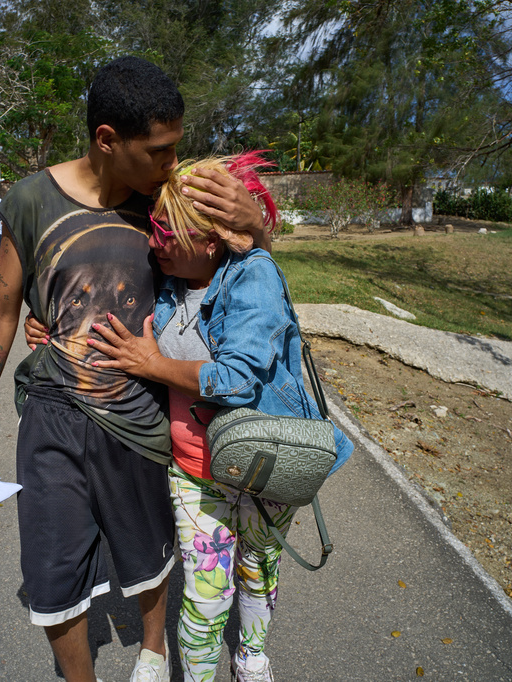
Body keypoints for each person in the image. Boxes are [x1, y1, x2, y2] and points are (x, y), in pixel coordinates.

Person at [0, 56, 265, 682]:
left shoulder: (167, 199)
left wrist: (254, 225)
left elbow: (235, 274)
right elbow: (2, 311)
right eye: (158, 150)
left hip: (141, 418)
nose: (171, 163)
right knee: (51, 563)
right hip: (53, 415)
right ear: (106, 140)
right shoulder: (31, 200)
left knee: (147, 546)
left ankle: (153, 647)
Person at [87, 154, 354, 682]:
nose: (154, 241)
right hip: (193, 471)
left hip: (267, 466)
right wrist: (49, 326)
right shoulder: (166, 282)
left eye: (168, 233)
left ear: (210, 242)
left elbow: (238, 378)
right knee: (206, 599)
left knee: (259, 571)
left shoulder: (253, 276)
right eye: (154, 229)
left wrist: (155, 364)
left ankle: (252, 656)